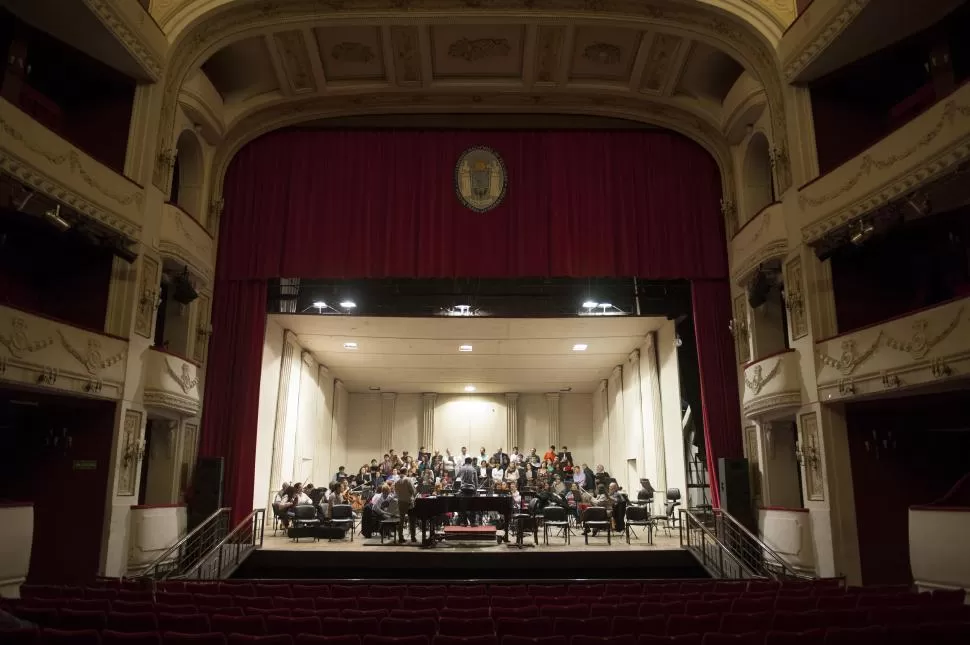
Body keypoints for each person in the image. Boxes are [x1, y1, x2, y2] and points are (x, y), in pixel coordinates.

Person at [394, 473, 418, 543]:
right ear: (406, 472)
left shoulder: (397, 482)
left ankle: (400, 537)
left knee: (401, 520)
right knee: (412, 520)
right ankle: (413, 537)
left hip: (400, 502)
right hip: (409, 502)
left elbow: (396, 492)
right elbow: (413, 491)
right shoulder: (408, 480)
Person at [456, 456, 479, 526]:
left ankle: (464, 522)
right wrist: (476, 489)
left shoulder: (462, 468)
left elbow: (457, 475)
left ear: (465, 462)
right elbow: (476, 481)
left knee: (463, 506)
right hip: (471, 489)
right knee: (472, 506)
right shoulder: (473, 469)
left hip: (463, 489)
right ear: (471, 462)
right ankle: (472, 523)